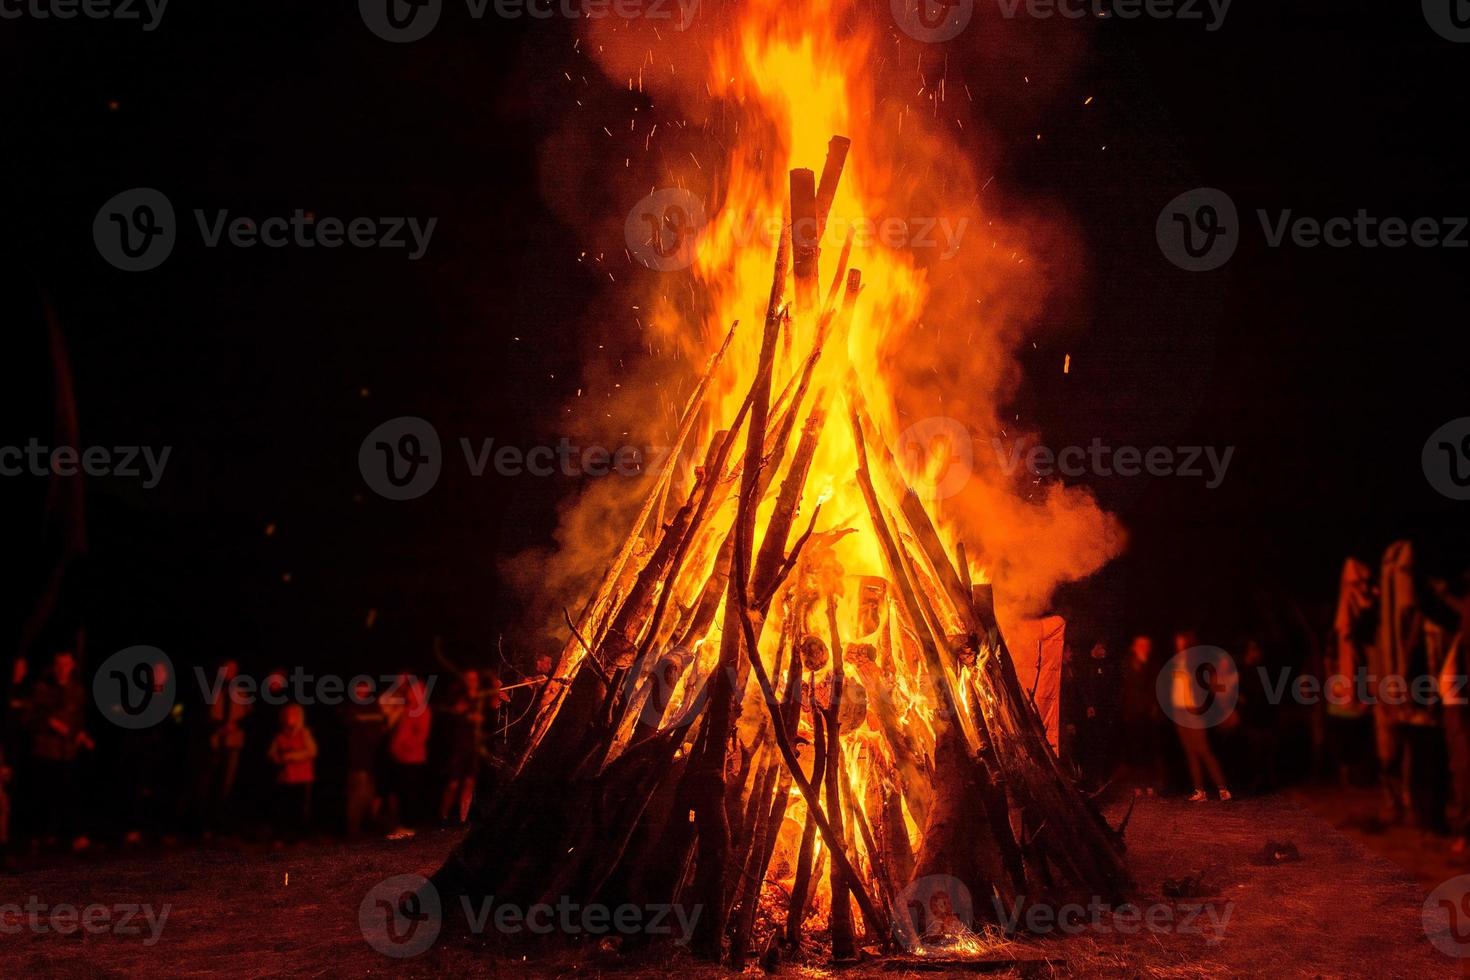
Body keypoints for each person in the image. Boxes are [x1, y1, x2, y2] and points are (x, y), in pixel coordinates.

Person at [27, 651, 95, 851]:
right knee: (43, 793)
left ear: (72, 665)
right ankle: (40, 834)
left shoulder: (77, 690)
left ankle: (69, 834)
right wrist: (50, 723)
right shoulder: (42, 688)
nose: (62, 668)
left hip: (68, 750)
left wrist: (81, 734)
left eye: (66, 664)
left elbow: (79, 717)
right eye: (59, 664)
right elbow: (32, 717)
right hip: (46, 749)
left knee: (68, 791)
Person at [1168, 630, 1232, 802]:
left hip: (1192, 710)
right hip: (1178, 710)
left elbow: (1206, 680)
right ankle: (1199, 791)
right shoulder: (1177, 660)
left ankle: (1223, 789)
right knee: (1190, 752)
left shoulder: (1195, 659)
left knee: (1203, 750)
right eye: (1177, 640)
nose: (1178, 643)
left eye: (1181, 640)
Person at [198, 659, 250, 833]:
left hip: (233, 743)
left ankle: (220, 824)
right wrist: (216, 727)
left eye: (234, 669)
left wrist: (236, 725)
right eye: (227, 668)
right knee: (208, 783)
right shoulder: (211, 690)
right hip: (213, 743)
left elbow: (250, 716)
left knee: (226, 785)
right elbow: (202, 715)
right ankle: (203, 824)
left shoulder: (241, 691)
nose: (230, 672)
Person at [382, 675, 432, 837]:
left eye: (413, 691)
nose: (409, 694)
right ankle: (402, 825)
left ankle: (408, 827)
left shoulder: (422, 710)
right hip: (401, 758)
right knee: (402, 792)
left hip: (413, 759)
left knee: (409, 793)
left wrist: (402, 746)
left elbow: (421, 736)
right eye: (409, 691)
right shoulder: (407, 709)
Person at [1119, 635, 1164, 795]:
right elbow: (1124, 688)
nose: (1144, 648)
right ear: (1134, 647)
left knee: (1148, 749)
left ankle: (1150, 784)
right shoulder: (1127, 663)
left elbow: (1155, 687)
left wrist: (1153, 706)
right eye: (1141, 645)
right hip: (1132, 713)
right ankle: (1137, 784)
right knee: (1134, 749)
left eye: (1147, 645)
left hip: (1147, 713)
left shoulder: (1153, 665)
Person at [341, 679, 386, 838]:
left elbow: (382, 725)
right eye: (359, 687)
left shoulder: (374, 705)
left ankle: (366, 827)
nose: (362, 690)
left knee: (369, 794)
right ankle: (352, 829)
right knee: (356, 794)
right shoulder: (348, 706)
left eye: (365, 686)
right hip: (356, 758)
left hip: (374, 758)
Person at [266, 704, 318, 841]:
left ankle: (300, 836)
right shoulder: (280, 735)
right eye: (287, 715)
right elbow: (271, 754)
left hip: (303, 777)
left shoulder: (304, 733)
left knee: (301, 809)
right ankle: (282, 835)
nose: (290, 717)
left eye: (293, 715)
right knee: (284, 808)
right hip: (285, 778)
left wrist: (292, 756)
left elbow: (312, 751)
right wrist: (277, 759)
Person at [440, 671, 485, 825]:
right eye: (469, 679)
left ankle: (462, 820)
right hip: (458, 746)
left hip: (474, 746)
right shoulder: (458, 697)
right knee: (453, 784)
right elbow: (455, 712)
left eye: (475, 679)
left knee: (469, 783)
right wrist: (467, 713)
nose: (472, 682)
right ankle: (444, 816)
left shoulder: (480, 698)